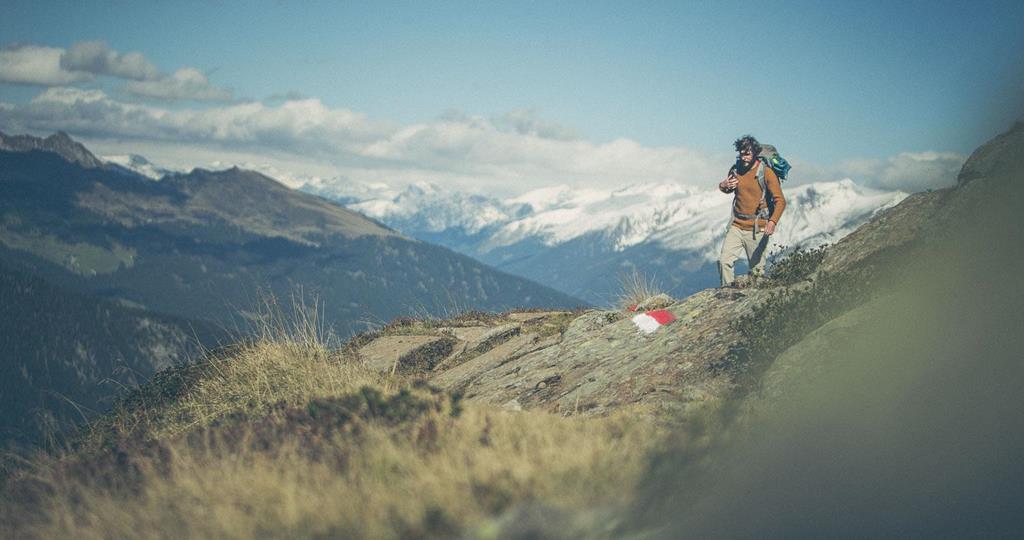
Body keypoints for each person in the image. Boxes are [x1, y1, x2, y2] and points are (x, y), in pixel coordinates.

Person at [717, 135, 786, 287]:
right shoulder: (736, 169)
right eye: (741, 153)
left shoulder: (766, 172)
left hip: (757, 227)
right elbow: (728, 189)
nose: (744, 156)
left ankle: (755, 304)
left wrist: (772, 222)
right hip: (736, 225)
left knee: (757, 272)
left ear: (755, 153)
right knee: (724, 262)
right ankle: (727, 295)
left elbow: (780, 201)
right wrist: (723, 185)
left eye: (747, 153)